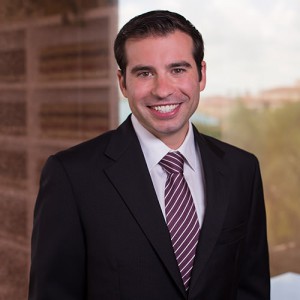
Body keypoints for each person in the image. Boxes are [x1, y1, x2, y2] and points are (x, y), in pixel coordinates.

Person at [28, 10, 270, 300]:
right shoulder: (71, 176)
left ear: (201, 75)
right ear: (123, 82)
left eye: (178, 70)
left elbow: (251, 288)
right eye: (145, 73)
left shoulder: (241, 169)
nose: (163, 90)